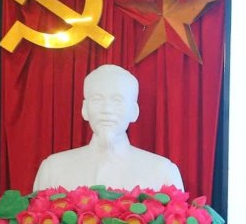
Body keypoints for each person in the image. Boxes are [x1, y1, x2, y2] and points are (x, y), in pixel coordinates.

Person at [32, 64, 184, 191]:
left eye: (117, 100)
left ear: (134, 111)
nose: (107, 109)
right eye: (97, 100)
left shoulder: (162, 172)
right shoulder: (53, 169)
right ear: (85, 109)